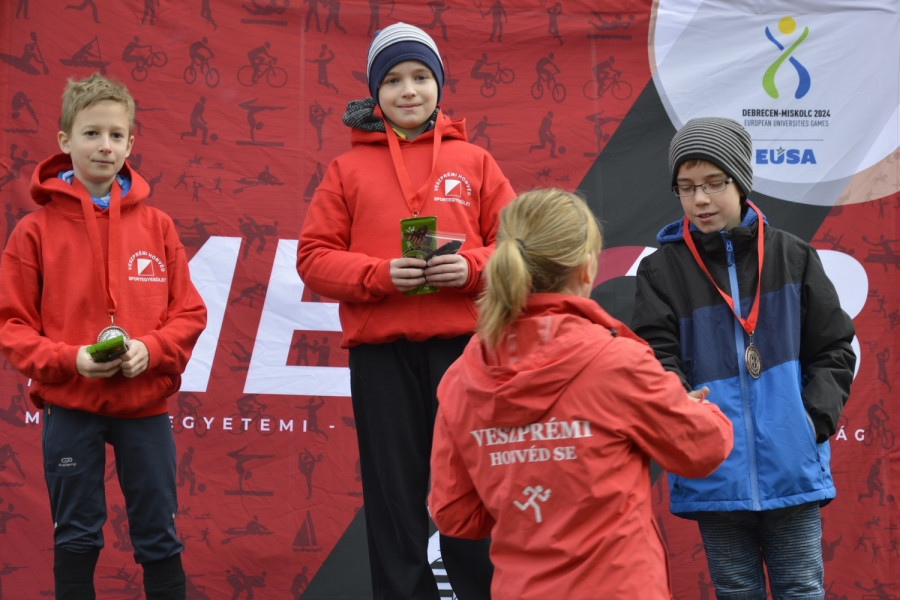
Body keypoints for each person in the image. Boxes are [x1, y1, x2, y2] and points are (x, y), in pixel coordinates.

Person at [296, 22, 516, 600]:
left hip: (466, 352)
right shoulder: (345, 170)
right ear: (375, 93)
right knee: (395, 497)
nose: (408, 90)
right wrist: (377, 275)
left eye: (421, 76)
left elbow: (522, 250)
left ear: (440, 85)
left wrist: (471, 268)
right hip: (381, 354)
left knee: (472, 486)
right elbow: (313, 259)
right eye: (392, 80)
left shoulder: (476, 162)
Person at [427, 188, 734, 600]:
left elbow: (457, 516)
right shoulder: (617, 363)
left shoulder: (462, 377)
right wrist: (693, 409)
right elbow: (704, 448)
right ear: (587, 268)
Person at [0, 72, 207, 599]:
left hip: (144, 408)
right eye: (91, 134)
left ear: (132, 143)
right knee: (76, 537)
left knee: (159, 536)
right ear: (65, 141)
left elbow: (189, 313)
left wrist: (150, 348)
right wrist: (72, 360)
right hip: (71, 405)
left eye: (117, 135)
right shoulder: (34, 231)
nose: (105, 145)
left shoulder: (157, 225)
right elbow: (12, 325)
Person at [631, 117, 856, 599]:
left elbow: (833, 347)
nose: (701, 200)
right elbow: (654, 358)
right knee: (734, 588)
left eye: (714, 184)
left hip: (790, 459)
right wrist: (682, 409)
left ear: (740, 181)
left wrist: (810, 420)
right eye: (687, 188)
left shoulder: (792, 256)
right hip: (713, 465)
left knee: (800, 585)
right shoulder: (661, 270)